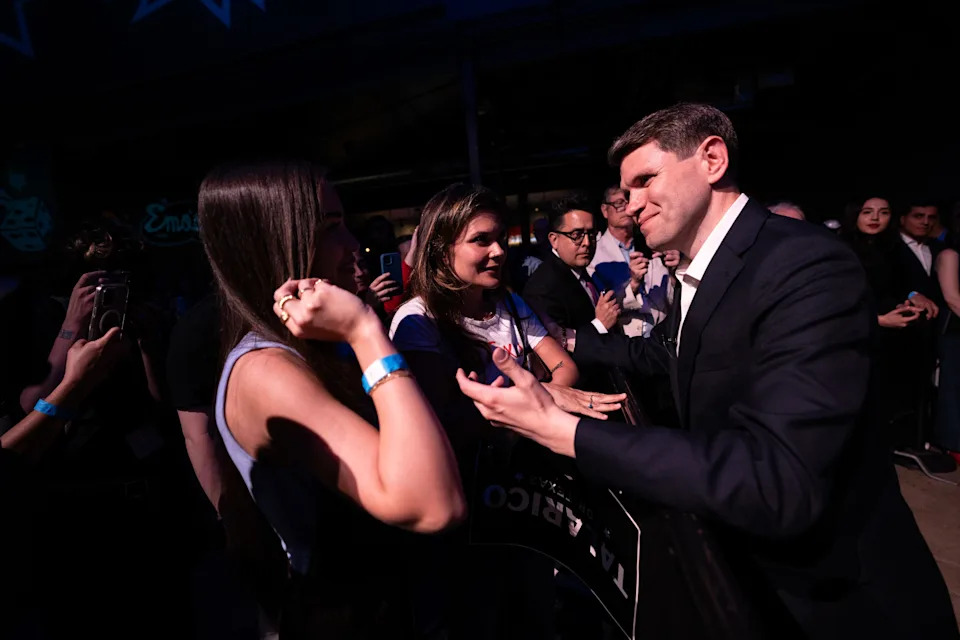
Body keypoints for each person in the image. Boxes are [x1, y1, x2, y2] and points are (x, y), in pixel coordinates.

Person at [455, 103, 959, 639]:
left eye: (646, 180)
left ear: (712, 159)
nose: (631, 205)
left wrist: (567, 432)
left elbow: (777, 478)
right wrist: (574, 343)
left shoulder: (804, 263)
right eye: (624, 193)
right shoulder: (714, 269)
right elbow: (669, 355)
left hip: (841, 601)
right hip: (766, 580)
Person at [198, 160, 465, 638]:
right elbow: (432, 503)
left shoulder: (315, 345)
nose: (350, 247)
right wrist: (365, 330)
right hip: (345, 615)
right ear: (274, 241)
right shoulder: (265, 369)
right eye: (329, 228)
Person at [389, 183, 621, 639]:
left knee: (533, 611)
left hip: (522, 497)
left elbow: (565, 367)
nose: (498, 251)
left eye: (501, 238)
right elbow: (446, 421)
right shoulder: (418, 321)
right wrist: (544, 398)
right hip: (464, 513)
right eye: (481, 241)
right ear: (440, 249)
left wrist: (521, 400)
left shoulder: (510, 304)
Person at [590, 186, 677, 337]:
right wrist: (634, 284)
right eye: (618, 203)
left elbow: (670, 299)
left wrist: (674, 272)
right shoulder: (595, 255)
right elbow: (599, 306)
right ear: (605, 210)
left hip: (663, 335)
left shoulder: (654, 243)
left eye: (628, 202)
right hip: (626, 340)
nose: (625, 208)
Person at [934, 238, 960, 462]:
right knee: (952, 386)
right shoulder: (950, 254)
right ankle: (953, 443)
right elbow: (952, 298)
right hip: (954, 331)